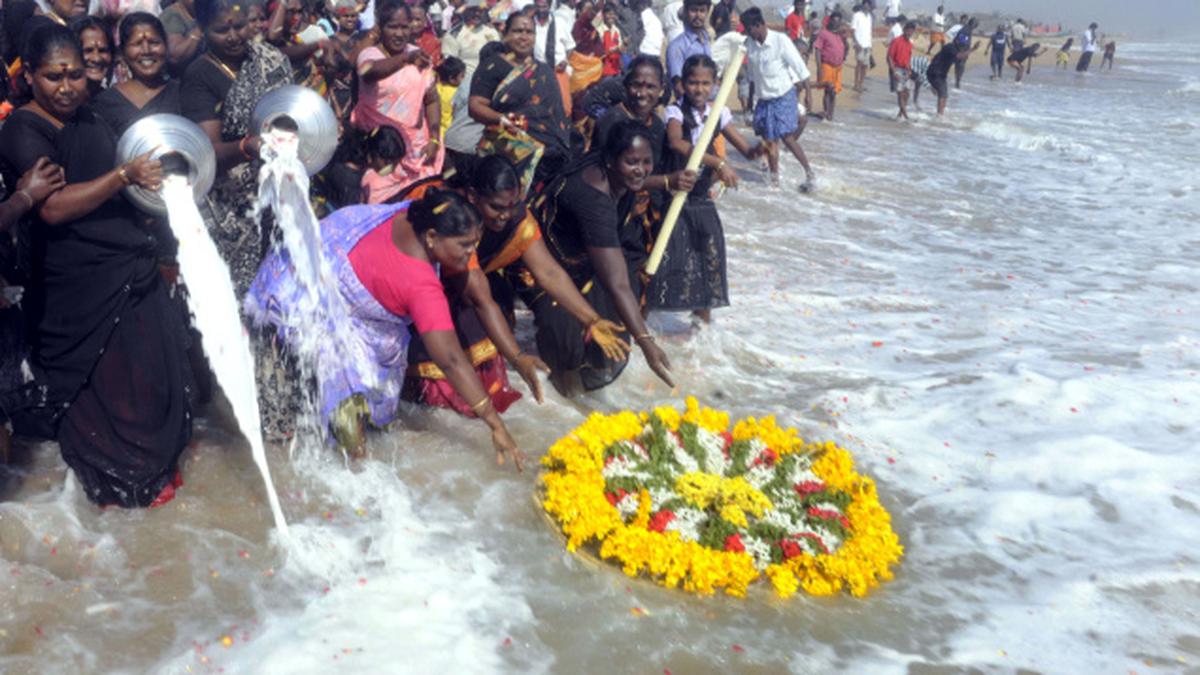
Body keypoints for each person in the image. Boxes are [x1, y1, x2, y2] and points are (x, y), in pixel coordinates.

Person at [0, 23, 193, 506]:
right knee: (107, 385)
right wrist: (124, 175)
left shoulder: (91, 116)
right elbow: (54, 207)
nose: (65, 87)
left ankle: (158, 470)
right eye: (52, 77)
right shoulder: (24, 128)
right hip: (77, 282)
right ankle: (119, 480)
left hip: (127, 259)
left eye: (75, 75)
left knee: (155, 371)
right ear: (30, 80)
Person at [244, 190, 526, 466]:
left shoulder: (413, 213)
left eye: (474, 243)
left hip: (308, 263)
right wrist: (495, 424)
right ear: (431, 237)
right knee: (346, 411)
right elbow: (451, 359)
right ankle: (359, 476)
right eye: (464, 245)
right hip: (308, 294)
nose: (471, 253)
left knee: (357, 401)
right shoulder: (421, 286)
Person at [400, 156, 633, 415]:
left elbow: (549, 272)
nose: (505, 216)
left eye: (511, 206)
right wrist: (517, 357)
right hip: (410, 289)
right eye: (497, 207)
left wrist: (592, 320)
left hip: (463, 289)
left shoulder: (517, 219)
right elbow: (480, 299)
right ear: (472, 196)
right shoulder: (448, 212)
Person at [529, 119, 673, 395]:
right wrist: (646, 342)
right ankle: (565, 408)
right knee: (566, 348)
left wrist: (668, 181)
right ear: (610, 160)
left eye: (646, 162)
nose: (640, 171)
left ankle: (590, 399)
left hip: (584, 264)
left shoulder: (619, 178)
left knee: (610, 336)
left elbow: (619, 278)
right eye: (632, 162)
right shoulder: (593, 199)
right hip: (545, 267)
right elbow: (616, 283)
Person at [180, 0, 294, 299]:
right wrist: (248, 146)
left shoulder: (269, 59)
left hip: (280, 192)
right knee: (243, 299)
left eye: (239, 26)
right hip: (234, 206)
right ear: (203, 30)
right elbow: (208, 151)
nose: (232, 36)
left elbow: (292, 110)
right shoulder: (199, 76)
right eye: (221, 30)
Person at [655, 54, 762, 324]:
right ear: (682, 84)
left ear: (715, 84)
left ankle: (701, 331)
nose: (699, 89)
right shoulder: (675, 112)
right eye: (693, 83)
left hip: (701, 198)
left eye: (705, 83)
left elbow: (747, 151)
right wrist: (718, 162)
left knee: (708, 260)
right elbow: (677, 143)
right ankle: (647, 326)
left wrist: (762, 148)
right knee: (668, 261)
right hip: (676, 195)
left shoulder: (719, 113)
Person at [469, 12, 570, 193]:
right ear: (505, 34)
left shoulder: (544, 70)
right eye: (518, 31)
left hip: (545, 157)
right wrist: (503, 119)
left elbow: (555, 114)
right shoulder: (492, 66)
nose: (524, 37)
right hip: (505, 153)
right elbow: (475, 106)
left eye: (529, 32)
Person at [353, 0, 444, 196]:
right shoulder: (370, 54)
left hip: (417, 152)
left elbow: (431, 100)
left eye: (404, 27)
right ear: (380, 28)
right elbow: (369, 71)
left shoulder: (418, 55)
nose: (400, 33)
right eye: (392, 27)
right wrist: (405, 60)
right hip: (381, 155)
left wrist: (435, 139)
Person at [589, 54, 695, 195]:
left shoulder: (656, 124)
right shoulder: (612, 121)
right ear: (626, 85)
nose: (642, 93)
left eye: (650, 87)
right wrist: (667, 181)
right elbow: (612, 176)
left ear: (661, 89)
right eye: (636, 85)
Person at [742, 8, 814, 190]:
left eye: (750, 29)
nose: (749, 33)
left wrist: (808, 96)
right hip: (764, 99)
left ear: (759, 25)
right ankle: (775, 180)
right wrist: (750, 102)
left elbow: (800, 69)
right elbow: (752, 77)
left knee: (787, 137)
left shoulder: (780, 41)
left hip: (783, 96)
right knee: (768, 139)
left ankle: (809, 172)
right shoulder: (749, 44)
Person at [94, 13, 182, 137]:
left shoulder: (183, 93)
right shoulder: (106, 103)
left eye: (154, 42)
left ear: (166, 47)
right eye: (137, 44)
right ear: (123, 52)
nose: (146, 51)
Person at [268, 0, 330, 96]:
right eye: (290, 12)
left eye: (299, 12)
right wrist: (318, 44)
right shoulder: (267, 46)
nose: (296, 18)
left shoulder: (297, 40)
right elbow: (275, 40)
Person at [532, 0, 575, 118]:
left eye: (544, 7)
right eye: (538, 7)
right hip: (538, 72)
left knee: (564, 107)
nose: (541, 10)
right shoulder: (530, 24)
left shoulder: (559, 22)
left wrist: (565, 61)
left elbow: (570, 47)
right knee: (540, 106)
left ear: (550, 6)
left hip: (558, 71)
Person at [665, 0, 710, 99]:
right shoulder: (677, 46)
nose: (698, 15)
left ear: (707, 12)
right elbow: (678, 86)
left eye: (702, 11)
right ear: (685, 12)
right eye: (693, 10)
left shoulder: (706, 41)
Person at [441, 2, 499, 75]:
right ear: (465, 11)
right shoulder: (453, 35)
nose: (477, 14)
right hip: (465, 82)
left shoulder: (492, 32)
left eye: (480, 11)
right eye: (473, 10)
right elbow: (449, 65)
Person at [812, 10, 845, 120]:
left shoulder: (839, 35)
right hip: (827, 65)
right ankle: (826, 113)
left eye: (838, 21)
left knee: (834, 92)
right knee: (828, 90)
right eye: (834, 21)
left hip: (838, 67)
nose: (836, 23)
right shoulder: (823, 33)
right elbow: (817, 50)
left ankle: (831, 114)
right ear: (830, 21)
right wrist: (819, 67)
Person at [161, 0, 206, 76]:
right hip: (183, 81)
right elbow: (175, 56)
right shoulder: (171, 16)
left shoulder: (201, 12)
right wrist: (199, 30)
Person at [72, 16, 114, 98]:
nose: (96, 59)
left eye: (103, 50)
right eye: (88, 51)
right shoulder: (65, 103)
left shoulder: (112, 101)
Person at [926, 39, 966, 115]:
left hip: (941, 74)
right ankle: (939, 115)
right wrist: (973, 49)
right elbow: (959, 56)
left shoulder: (954, 49)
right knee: (942, 94)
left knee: (945, 95)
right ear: (957, 42)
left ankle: (941, 113)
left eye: (963, 46)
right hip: (936, 73)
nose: (962, 47)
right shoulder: (950, 47)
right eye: (962, 45)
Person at [886, 20, 914, 119]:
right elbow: (889, 57)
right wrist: (893, 71)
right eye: (908, 30)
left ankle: (900, 114)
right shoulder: (896, 41)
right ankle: (906, 116)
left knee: (907, 92)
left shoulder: (910, 44)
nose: (910, 33)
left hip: (906, 69)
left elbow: (909, 58)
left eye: (912, 31)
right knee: (900, 93)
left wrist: (910, 71)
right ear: (904, 30)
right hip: (896, 68)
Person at [435, 56, 466, 141]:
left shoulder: (435, 88)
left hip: (432, 132)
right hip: (448, 134)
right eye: (462, 76)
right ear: (452, 78)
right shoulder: (458, 93)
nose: (464, 79)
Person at [849, 3, 870, 93]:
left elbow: (869, 31)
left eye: (869, 4)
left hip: (867, 44)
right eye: (866, 4)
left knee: (865, 66)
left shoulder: (869, 16)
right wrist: (856, 43)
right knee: (859, 64)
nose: (868, 6)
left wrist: (870, 44)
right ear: (863, 5)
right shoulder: (857, 15)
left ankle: (861, 84)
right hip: (859, 44)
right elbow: (852, 30)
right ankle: (856, 84)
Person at [599, 3, 623, 77]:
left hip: (615, 69)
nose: (611, 16)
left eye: (613, 14)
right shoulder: (599, 29)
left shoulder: (616, 30)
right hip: (602, 69)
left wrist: (622, 46)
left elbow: (620, 48)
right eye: (608, 14)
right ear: (603, 15)